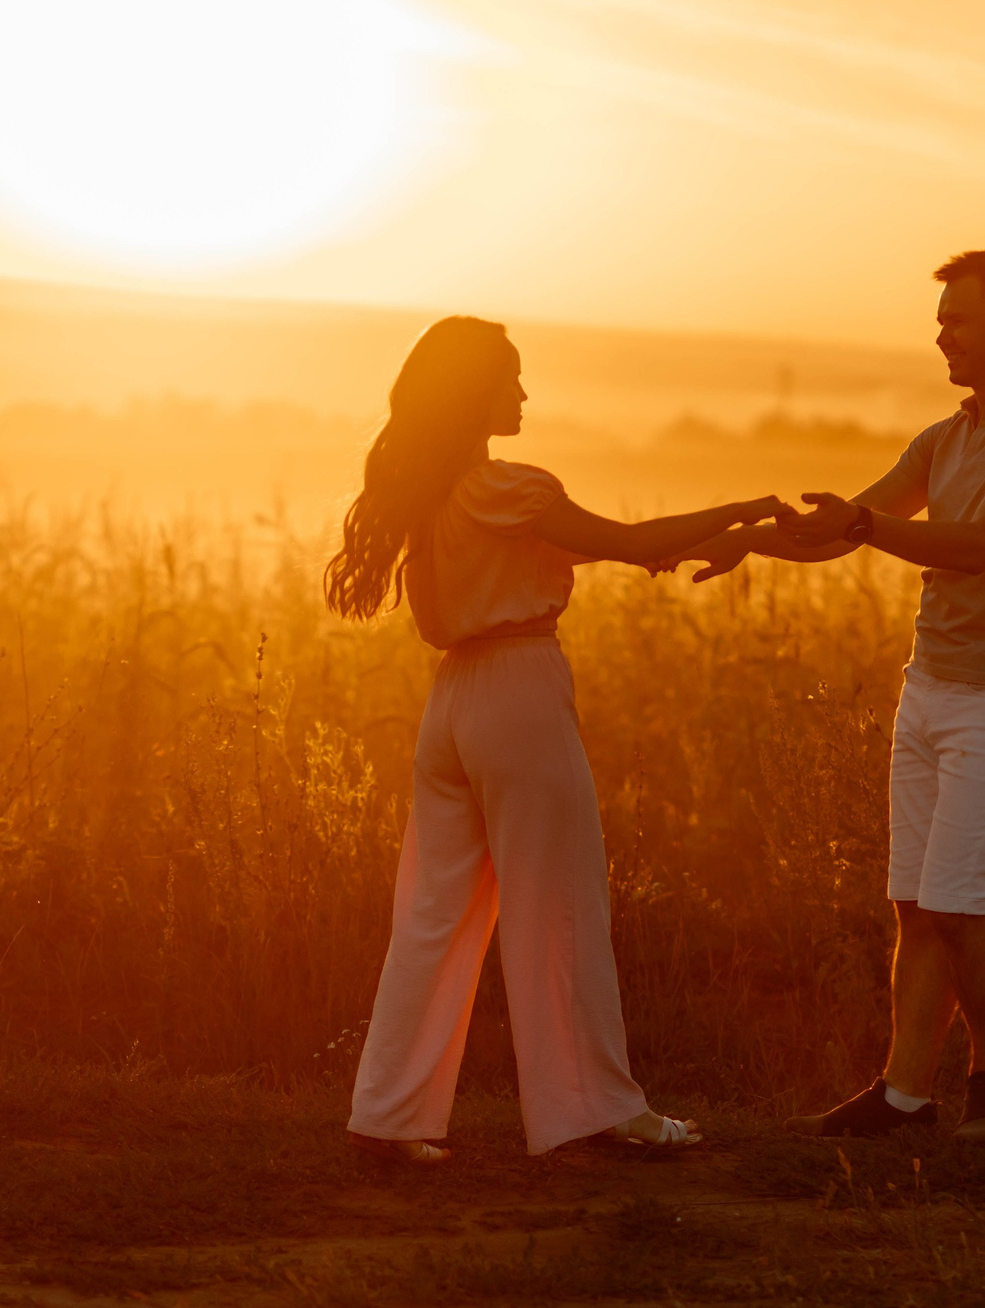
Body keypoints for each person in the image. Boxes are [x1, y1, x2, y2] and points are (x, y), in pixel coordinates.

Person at [332, 315, 793, 1165]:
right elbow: (629, 545)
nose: (522, 392)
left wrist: (735, 538)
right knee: (562, 905)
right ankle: (594, 1112)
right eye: (510, 378)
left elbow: (634, 553)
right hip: (518, 693)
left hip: (450, 706)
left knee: (432, 915)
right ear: (478, 394)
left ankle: (386, 1118)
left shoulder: (430, 491)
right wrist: (742, 506)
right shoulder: (514, 489)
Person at [688, 249, 985, 1143]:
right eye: (941, 317)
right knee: (915, 903)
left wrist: (867, 525)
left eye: (957, 317)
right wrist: (755, 539)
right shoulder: (943, 437)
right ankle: (905, 1099)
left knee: (957, 902)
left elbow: (978, 543)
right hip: (929, 692)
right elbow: (843, 528)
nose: (940, 331)